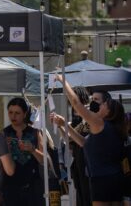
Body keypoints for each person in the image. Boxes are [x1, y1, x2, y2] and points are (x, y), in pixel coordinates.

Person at [53, 75, 127, 205]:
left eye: (103, 104)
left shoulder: (99, 123)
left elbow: (76, 104)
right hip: (114, 178)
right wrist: (64, 124)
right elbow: (82, 142)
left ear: (108, 112)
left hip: (101, 179)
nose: (99, 105)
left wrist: (62, 80)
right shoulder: (111, 128)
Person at [52, 86, 91, 206]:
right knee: (80, 196)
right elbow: (68, 140)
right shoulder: (75, 119)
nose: (72, 105)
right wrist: (60, 126)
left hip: (88, 164)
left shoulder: (89, 116)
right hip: (77, 163)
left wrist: (64, 125)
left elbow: (82, 141)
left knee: (87, 195)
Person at [2, 97, 44, 206]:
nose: (13, 116)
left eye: (17, 113)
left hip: (32, 188)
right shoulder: (3, 134)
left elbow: (45, 160)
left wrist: (33, 150)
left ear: (25, 114)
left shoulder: (35, 133)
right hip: (10, 188)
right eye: (10, 112)